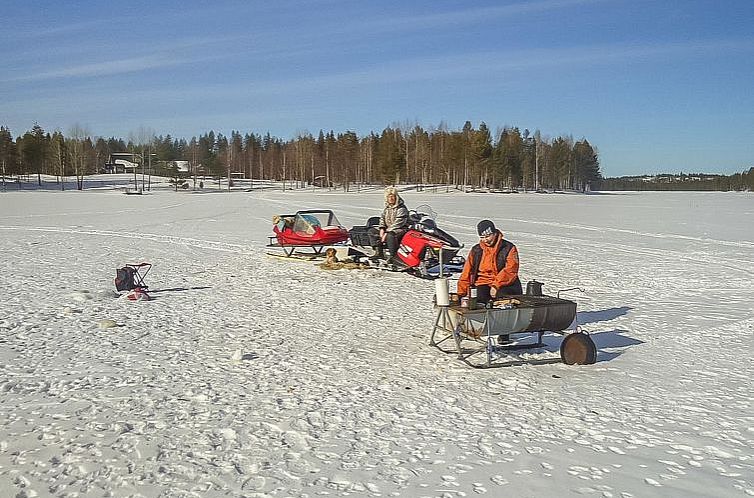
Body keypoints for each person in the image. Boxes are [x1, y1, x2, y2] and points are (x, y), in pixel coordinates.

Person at [457, 219, 523, 344]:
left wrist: (496, 285)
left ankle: (505, 332)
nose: (486, 240)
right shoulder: (476, 250)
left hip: (506, 284)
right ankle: (479, 328)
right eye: (482, 237)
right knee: (477, 298)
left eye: (488, 236)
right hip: (482, 283)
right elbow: (467, 272)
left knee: (502, 299)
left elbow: (511, 270)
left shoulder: (509, 248)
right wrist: (461, 293)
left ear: (494, 233)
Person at [368, 186, 409, 263]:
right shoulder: (387, 208)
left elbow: (399, 222)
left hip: (401, 228)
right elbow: (382, 219)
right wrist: (382, 228)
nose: (391, 198)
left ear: (396, 197)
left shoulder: (401, 208)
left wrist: (386, 232)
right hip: (388, 228)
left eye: (392, 196)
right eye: (389, 197)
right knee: (372, 231)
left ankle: (393, 255)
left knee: (391, 235)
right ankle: (379, 252)